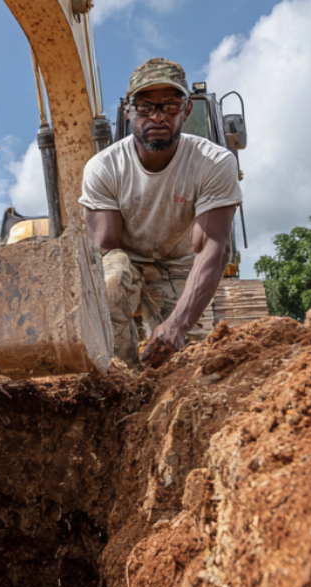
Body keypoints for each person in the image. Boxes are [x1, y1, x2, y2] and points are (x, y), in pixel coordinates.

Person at [80, 58, 242, 367]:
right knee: (111, 281)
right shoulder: (104, 167)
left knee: (179, 362)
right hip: (127, 261)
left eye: (170, 106)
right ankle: (120, 376)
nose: (157, 116)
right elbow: (103, 248)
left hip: (180, 265)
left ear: (186, 110)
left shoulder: (214, 163)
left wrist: (177, 324)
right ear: (129, 111)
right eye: (145, 107)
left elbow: (214, 247)